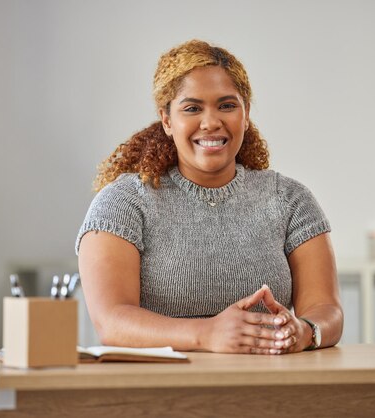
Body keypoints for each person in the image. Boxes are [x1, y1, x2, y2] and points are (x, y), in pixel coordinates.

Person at [75, 39, 343, 355]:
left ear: (245, 115)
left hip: (269, 393)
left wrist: (306, 331)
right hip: (157, 395)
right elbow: (112, 321)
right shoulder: (122, 203)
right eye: (192, 108)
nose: (211, 122)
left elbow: (327, 310)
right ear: (166, 119)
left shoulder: (291, 200)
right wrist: (206, 334)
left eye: (227, 105)